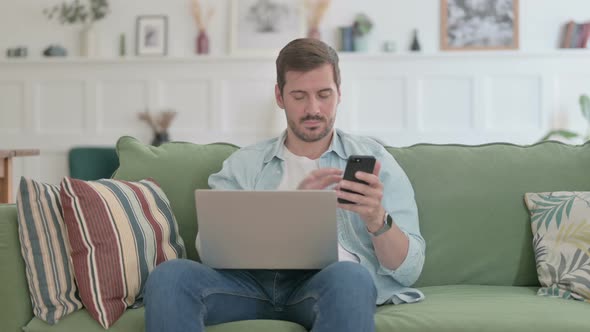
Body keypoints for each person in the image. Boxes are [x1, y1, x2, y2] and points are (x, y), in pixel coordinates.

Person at [144, 38, 425, 332]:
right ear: (280, 96)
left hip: (327, 285)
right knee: (170, 276)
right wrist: (291, 214)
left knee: (351, 277)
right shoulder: (244, 165)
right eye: (299, 95)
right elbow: (209, 248)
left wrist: (377, 220)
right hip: (248, 286)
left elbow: (409, 270)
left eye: (324, 94)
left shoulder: (375, 161)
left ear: (339, 94)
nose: (313, 108)